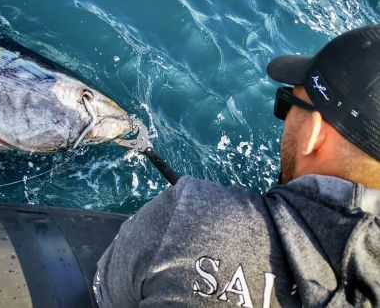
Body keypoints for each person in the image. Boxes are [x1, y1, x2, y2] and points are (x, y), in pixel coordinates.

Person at [94, 25, 380, 307]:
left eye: (287, 103)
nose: (285, 117)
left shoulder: (192, 215)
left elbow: (102, 292)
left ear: (313, 135)